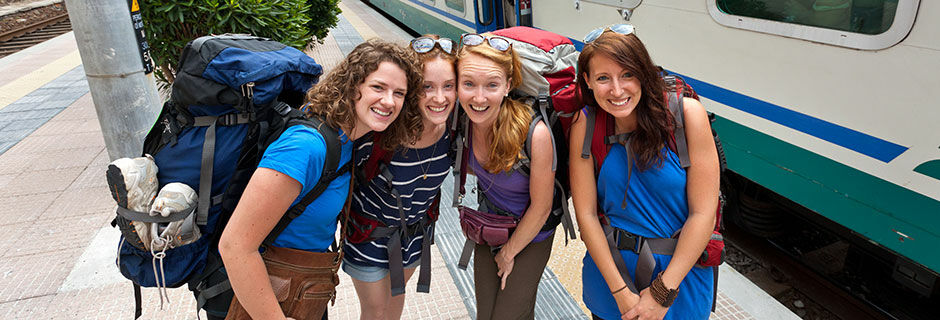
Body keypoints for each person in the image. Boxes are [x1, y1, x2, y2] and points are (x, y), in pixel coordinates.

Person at [218, 38, 424, 320]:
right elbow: (235, 246)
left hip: (301, 287)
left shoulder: (351, 138)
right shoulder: (306, 147)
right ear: (353, 87)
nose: (389, 101)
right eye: (378, 87)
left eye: (399, 93)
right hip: (259, 298)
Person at [568, 25, 720, 320]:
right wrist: (621, 293)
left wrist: (662, 294)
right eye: (602, 78)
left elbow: (704, 214)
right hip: (609, 281)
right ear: (586, 81)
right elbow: (585, 215)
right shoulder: (585, 125)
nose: (616, 90)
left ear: (644, 73)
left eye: (627, 74)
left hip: (679, 284)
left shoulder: (685, 116)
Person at [342, 35, 456, 320]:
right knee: (376, 311)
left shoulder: (456, 129)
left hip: (414, 238)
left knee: (394, 304)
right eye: (427, 87)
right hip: (369, 237)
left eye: (449, 86)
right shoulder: (379, 133)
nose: (439, 98)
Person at [456, 33, 556, 319]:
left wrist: (509, 252)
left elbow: (542, 207)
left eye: (492, 85)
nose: (478, 97)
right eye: (468, 84)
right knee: (486, 315)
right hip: (490, 223)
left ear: (508, 85)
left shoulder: (534, 134)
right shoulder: (459, 122)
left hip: (532, 232)